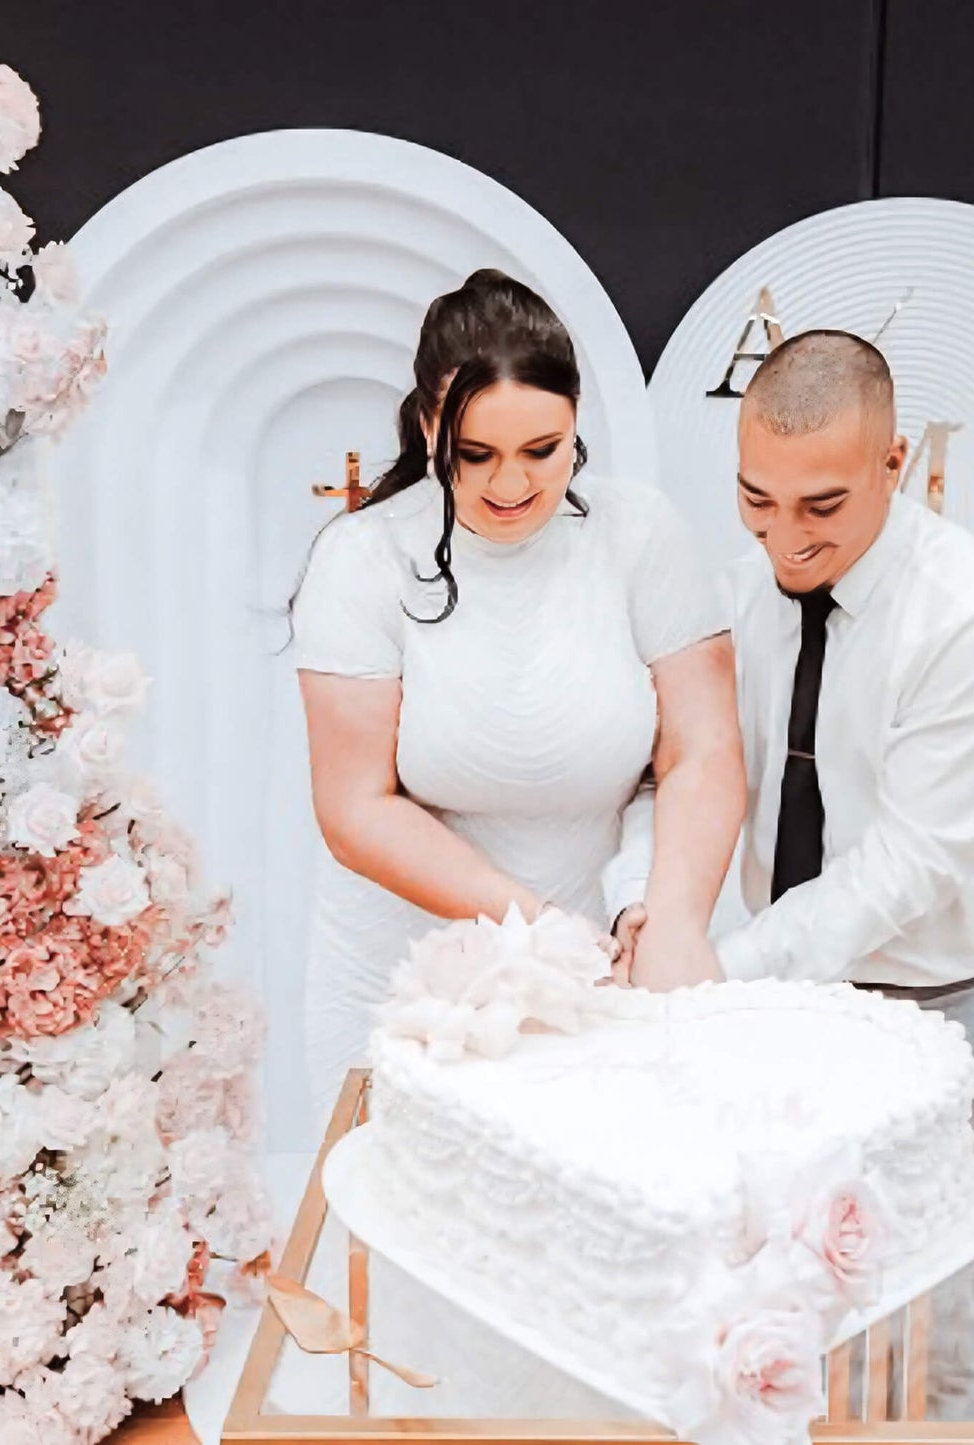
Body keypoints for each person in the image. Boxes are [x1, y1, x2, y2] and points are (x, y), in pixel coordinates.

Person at [605, 329, 974, 1420]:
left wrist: (718, 971)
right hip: (788, 995)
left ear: (892, 464)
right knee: (794, 1303)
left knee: (941, 1316)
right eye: (755, 497)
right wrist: (644, 910)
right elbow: (672, 767)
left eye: (820, 505)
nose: (782, 535)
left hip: (951, 1000)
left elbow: (907, 865)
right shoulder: (742, 588)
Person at [292, 268, 744, 1131]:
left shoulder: (639, 535)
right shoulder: (361, 559)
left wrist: (674, 916)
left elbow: (699, 749)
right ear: (430, 426)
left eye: (544, 450)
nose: (511, 485)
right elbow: (354, 808)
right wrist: (538, 931)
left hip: (604, 969)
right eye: (476, 455)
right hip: (409, 978)